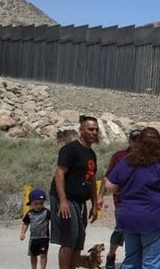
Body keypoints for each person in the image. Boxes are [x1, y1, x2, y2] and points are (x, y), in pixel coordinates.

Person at [105, 127, 160, 269]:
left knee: (132, 260)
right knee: (151, 262)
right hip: (153, 218)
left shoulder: (126, 161)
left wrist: (127, 188)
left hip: (129, 217)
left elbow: (110, 185)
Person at [50, 115, 102, 269]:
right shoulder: (70, 149)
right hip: (66, 198)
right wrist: (63, 201)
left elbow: (91, 179)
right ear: (81, 130)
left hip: (80, 201)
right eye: (90, 129)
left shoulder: (91, 154)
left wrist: (93, 204)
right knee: (69, 239)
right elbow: (59, 174)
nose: (94, 132)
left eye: (96, 130)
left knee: (79, 240)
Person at [103, 128, 141, 269]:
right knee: (120, 230)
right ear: (129, 141)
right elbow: (108, 177)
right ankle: (111, 255)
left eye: (140, 141)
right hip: (122, 202)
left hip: (141, 203)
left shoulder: (147, 158)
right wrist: (101, 197)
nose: (137, 144)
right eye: (134, 141)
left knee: (138, 231)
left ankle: (134, 260)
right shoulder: (119, 156)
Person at [20, 189, 51, 269]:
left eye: (41, 203)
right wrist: (23, 233)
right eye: (36, 204)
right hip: (33, 239)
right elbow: (25, 224)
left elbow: (53, 221)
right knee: (33, 255)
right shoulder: (29, 214)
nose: (38, 206)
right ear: (31, 204)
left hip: (44, 238)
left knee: (43, 255)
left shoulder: (46, 212)